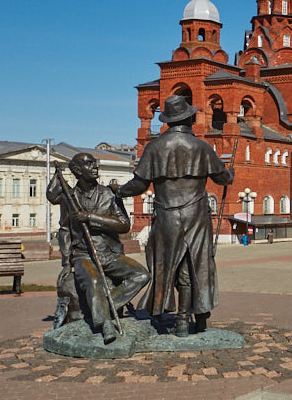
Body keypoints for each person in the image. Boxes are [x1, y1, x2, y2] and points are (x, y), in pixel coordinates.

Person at [116, 94, 234, 337]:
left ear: (168, 120)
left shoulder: (154, 147)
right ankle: (190, 318)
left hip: (166, 217)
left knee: (168, 266)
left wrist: (118, 191)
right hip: (197, 217)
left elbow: (139, 185)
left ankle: (171, 314)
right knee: (196, 266)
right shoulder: (202, 147)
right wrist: (230, 173)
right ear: (190, 118)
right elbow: (223, 178)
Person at [48, 153, 150, 344]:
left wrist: (91, 218)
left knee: (141, 275)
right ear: (77, 171)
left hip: (109, 254)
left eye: (95, 163)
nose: (96, 167)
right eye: (90, 164)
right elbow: (56, 208)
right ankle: (105, 324)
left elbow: (123, 225)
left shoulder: (109, 194)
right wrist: (66, 263)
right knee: (94, 282)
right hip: (83, 255)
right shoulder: (69, 198)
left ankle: (105, 309)